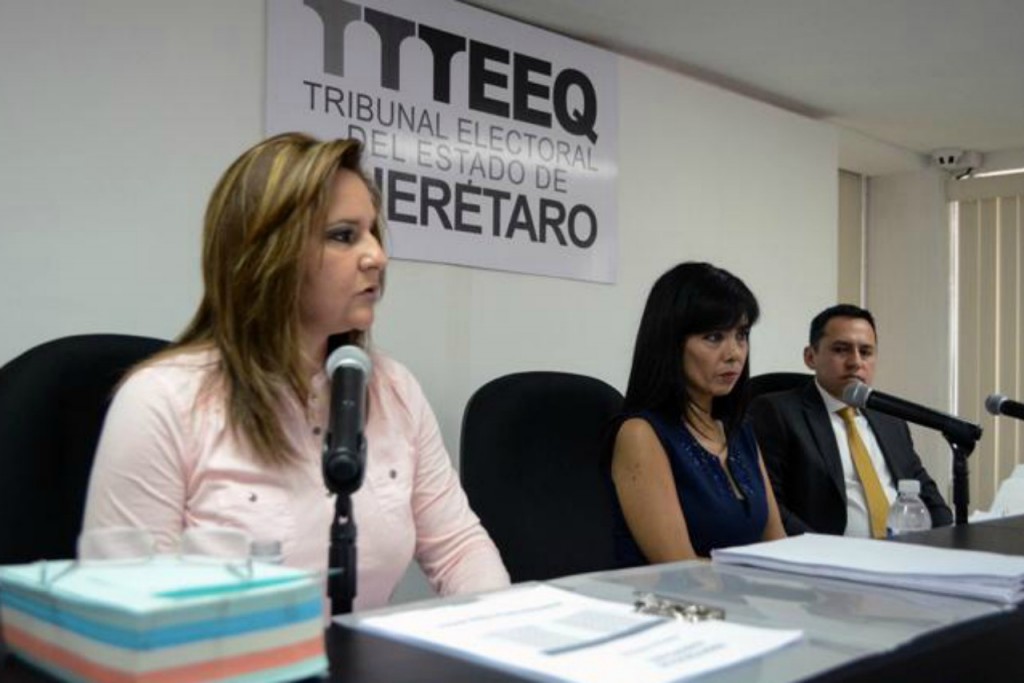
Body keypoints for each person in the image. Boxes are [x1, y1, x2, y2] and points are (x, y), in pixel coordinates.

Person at [82, 133, 510, 610]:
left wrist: (502, 633)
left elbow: (458, 549)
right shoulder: (162, 401)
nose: (377, 256)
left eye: (372, 232)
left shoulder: (394, 390)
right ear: (269, 253)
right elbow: (123, 613)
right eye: (344, 236)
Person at [610, 262, 785, 566]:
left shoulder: (739, 429)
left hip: (747, 591)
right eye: (714, 337)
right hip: (674, 594)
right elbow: (680, 565)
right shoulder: (640, 434)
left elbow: (777, 544)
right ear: (670, 343)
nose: (735, 353)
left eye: (741, 335)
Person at [749, 304, 952, 537]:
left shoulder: (890, 420)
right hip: (824, 554)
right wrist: (827, 551)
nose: (856, 362)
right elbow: (770, 506)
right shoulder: (776, 412)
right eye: (841, 350)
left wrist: (944, 541)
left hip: (904, 551)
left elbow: (929, 497)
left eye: (865, 352)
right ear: (810, 357)